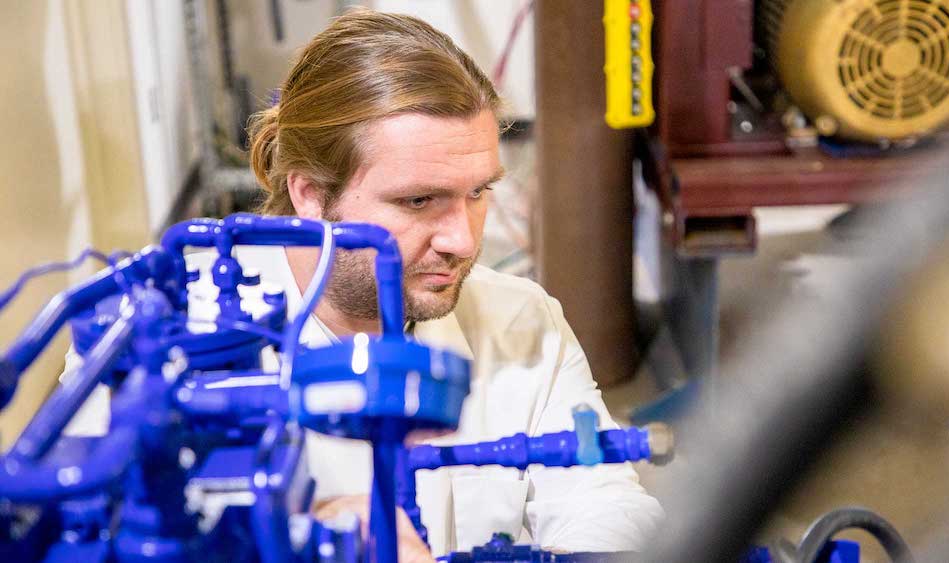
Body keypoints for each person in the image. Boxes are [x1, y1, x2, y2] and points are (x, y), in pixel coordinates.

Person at [66, 8, 664, 562]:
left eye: (478, 192)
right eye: (418, 200)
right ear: (308, 195)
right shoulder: (153, 344)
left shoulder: (523, 323)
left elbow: (608, 508)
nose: (461, 239)